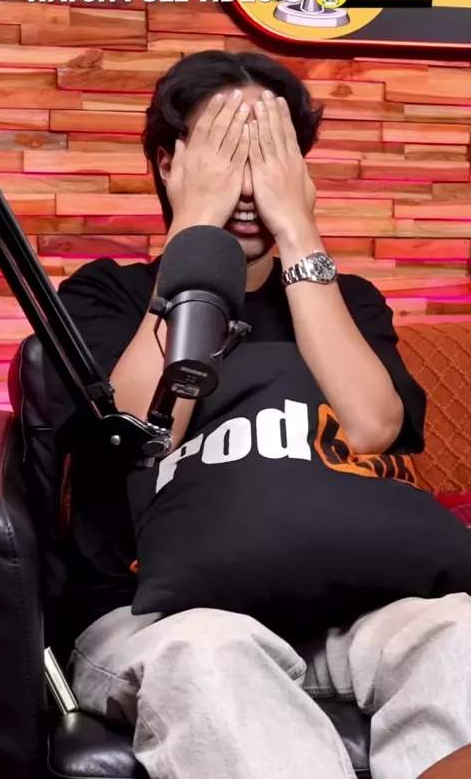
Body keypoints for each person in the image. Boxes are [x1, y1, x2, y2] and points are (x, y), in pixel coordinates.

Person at [45, 50, 471, 779]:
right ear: (168, 161)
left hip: (347, 613)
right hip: (157, 618)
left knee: (461, 631)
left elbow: (372, 427)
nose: (249, 185)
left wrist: (299, 232)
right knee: (211, 652)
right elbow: (141, 433)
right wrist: (196, 228)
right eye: (227, 153)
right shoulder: (107, 294)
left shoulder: (350, 301)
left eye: (271, 156)